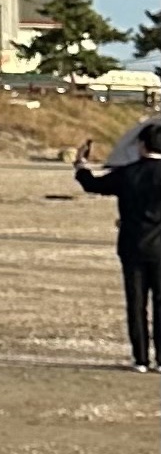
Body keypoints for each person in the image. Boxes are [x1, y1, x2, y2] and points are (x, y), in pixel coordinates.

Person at [74, 120, 161, 368]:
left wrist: (81, 165)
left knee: (136, 303)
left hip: (131, 244)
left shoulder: (127, 173)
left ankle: (140, 359)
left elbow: (93, 185)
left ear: (141, 145)